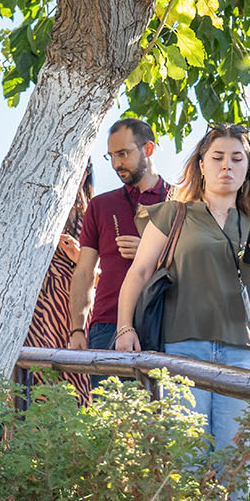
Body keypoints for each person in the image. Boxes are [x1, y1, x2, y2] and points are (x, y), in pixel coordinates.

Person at [114, 124, 250, 459]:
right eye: (217, 157)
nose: (226, 166)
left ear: (249, 168)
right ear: (201, 164)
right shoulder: (174, 213)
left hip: (243, 354)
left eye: (237, 158)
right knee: (185, 461)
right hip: (183, 348)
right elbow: (139, 272)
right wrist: (124, 327)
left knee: (237, 467)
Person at [67, 119, 168, 390]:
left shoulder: (180, 200)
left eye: (123, 153)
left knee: (167, 426)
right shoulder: (100, 205)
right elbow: (85, 271)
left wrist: (152, 254)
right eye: (110, 156)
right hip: (107, 327)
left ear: (148, 149)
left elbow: (195, 265)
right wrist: (77, 328)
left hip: (168, 326)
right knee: (108, 427)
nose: (115, 164)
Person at [17, 165, 94, 406]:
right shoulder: (35, 207)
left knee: (77, 380)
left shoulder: (93, 209)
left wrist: (79, 257)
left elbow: (105, 269)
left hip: (77, 303)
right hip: (38, 306)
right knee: (37, 380)